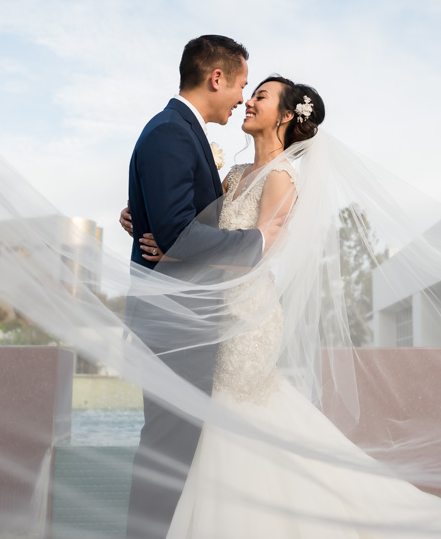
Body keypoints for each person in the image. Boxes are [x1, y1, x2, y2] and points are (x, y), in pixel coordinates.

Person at [119, 76, 441, 538]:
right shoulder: (235, 176)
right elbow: (197, 231)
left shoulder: (282, 177)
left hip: (245, 320)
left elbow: (254, 258)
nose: (247, 102)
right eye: (249, 91)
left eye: (259, 96)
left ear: (284, 116)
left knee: (232, 416)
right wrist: (147, 222)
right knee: (215, 419)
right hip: (211, 318)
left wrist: (178, 250)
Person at [123, 35, 280, 539]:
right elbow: (176, 233)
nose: (242, 98)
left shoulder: (178, 131)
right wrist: (255, 241)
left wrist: (146, 216)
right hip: (174, 324)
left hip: (193, 318)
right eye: (239, 85)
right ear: (217, 78)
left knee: (179, 450)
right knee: (168, 453)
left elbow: (176, 222)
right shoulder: (172, 133)